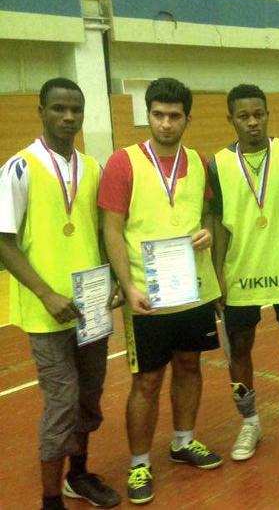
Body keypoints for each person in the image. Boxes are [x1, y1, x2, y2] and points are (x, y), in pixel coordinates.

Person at [99, 78, 223, 505]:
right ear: (148, 115)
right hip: (146, 296)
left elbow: (206, 213)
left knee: (189, 365)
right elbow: (111, 231)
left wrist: (206, 232)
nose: (166, 123)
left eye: (174, 116)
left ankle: (183, 441)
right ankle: (139, 464)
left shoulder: (200, 162)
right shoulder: (123, 163)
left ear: (187, 118)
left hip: (192, 290)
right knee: (147, 381)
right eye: (158, 115)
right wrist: (127, 285)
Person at [0, 78, 121, 510]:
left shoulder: (93, 168)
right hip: (46, 312)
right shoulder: (19, 168)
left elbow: (103, 233)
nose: (68, 117)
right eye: (58, 108)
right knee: (62, 402)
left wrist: (115, 279)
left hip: (91, 306)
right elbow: (3, 241)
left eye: (76, 109)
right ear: (41, 111)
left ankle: (78, 475)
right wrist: (46, 294)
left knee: (88, 396)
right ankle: (50, 500)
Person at [209, 84, 279, 460]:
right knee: (239, 347)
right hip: (240, 271)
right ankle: (250, 422)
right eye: (244, 116)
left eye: (259, 114)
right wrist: (217, 274)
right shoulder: (217, 165)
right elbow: (217, 223)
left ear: (268, 114)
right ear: (231, 119)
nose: (252, 122)